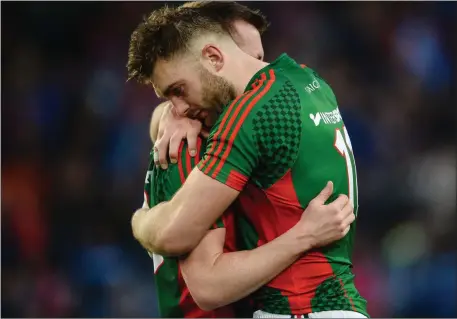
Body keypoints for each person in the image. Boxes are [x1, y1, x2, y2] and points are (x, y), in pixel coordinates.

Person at [129, 2, 368, 318]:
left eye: (179, 90)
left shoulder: (248, 116)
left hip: (297, 310)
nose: (179, 109)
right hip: (344, 305)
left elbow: (177, 238)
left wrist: (139, 220)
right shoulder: (309, 81)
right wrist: (165, 116)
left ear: (214, 57)